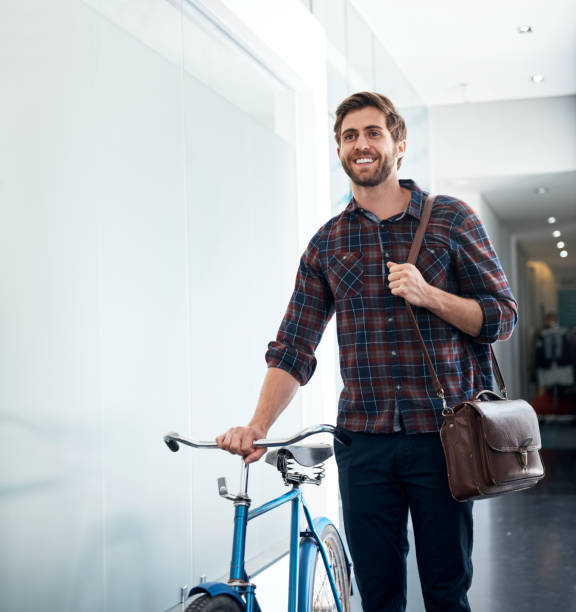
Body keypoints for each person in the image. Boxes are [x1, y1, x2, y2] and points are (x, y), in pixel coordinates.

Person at [217, 92, 518, 611]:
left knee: (448, 592)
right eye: (350, 136)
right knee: (378, 597)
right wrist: (258, 426)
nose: (361, 144)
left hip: (441, 439)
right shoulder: (327, 244)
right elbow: (294, 346)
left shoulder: (450, 220)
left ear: (398, 145)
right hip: (364, 445)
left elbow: (503, 316)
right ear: (339, 150)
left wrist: (430, 295)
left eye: (373, 132)